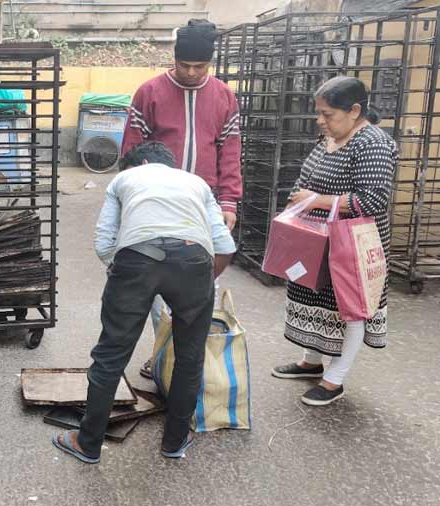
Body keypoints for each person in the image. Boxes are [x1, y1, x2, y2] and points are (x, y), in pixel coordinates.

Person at [52, 142, 236, 462]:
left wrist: (121, 268)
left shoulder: (124, 180)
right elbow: (224, 245)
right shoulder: (197, 183)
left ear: (141, 163)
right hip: (194, 260)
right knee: (190, 358)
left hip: (136, 260)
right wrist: (204, 282)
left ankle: (89, 443)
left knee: (111, 353)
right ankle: (174, 442)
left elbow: (104, 241)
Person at [120, 19, 243, 379]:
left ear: (210, 63)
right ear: (173, 58)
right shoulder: (149, 92)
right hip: (156, 205)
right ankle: (164, 354)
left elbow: (230, 152)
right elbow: (132, 151)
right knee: (157, 283)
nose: (190, 72)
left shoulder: (224, 96)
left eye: (199, 66)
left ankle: (182, 357)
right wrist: (130, 200)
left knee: (202, 282)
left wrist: (230, 201)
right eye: (184, 64)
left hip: (204, 206)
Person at [271, 76, 397, 406]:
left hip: (353, 245)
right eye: (320, 113)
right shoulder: (329, 138)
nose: (320, 121)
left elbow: (372, 200)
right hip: (319, 240)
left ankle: (334, 379)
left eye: (328, 114)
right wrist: (299, 199)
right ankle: (311, 362)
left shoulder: (372, 144)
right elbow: (306, 177)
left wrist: (318, 200)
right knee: (314, 294)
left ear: (355, 111)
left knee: (349, 308)